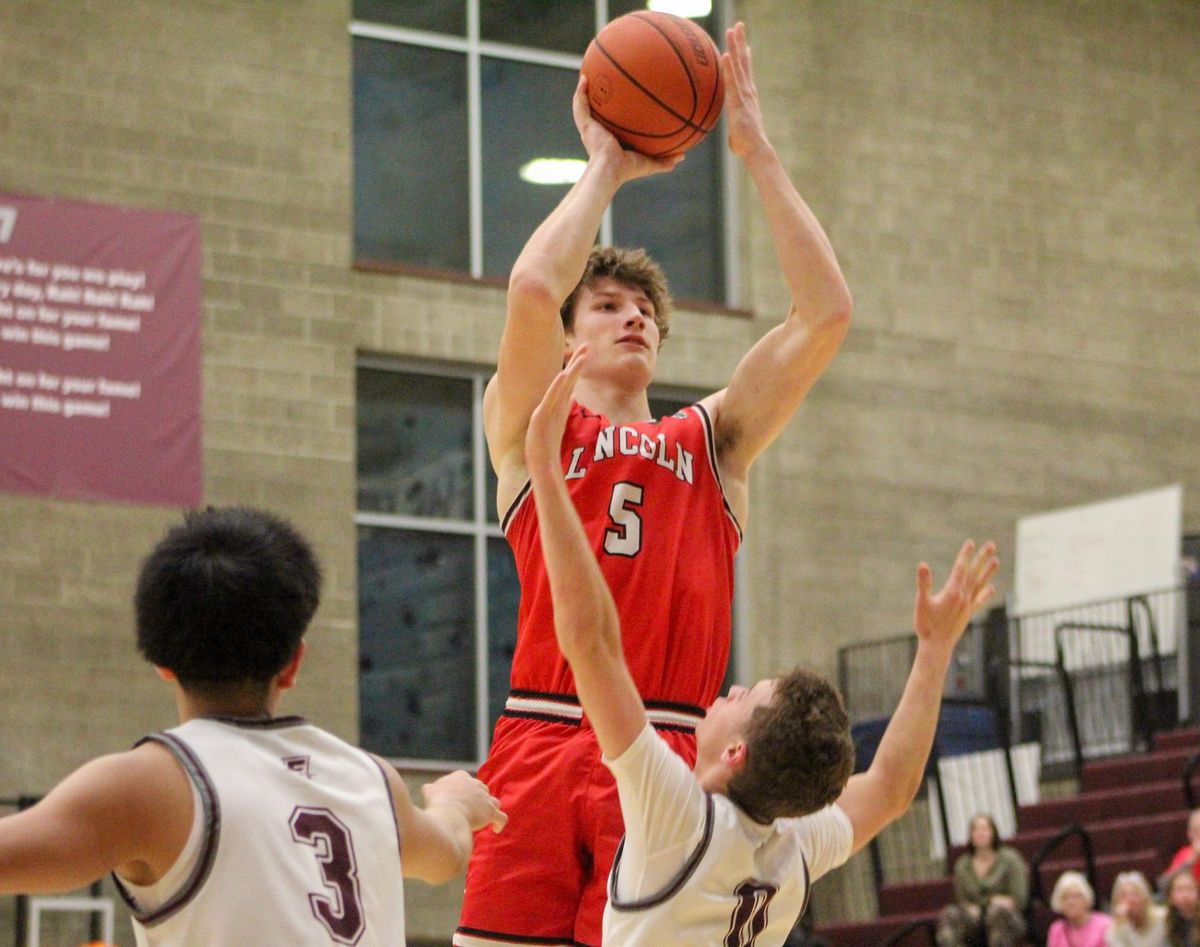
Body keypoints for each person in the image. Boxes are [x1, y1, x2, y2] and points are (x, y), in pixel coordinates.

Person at [460, 20, 853, 947]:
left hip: (671, 758)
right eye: (606, 305)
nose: (632, 315)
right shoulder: (531, 422)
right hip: (540, 734)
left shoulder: (712, 441)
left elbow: (825, 314)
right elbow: (527, 289)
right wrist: (605, 163)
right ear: (571, 335)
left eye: (645, 310)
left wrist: (757, 157)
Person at [519, 350, 998, 945]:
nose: (731, 690)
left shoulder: (679, 820)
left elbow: (590, 641)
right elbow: (893, 788)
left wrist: (543, 466)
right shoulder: (789, 847)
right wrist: (934, 648)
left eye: (747, 697)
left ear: (737, 753)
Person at [0, 506, 506, 946]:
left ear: (161, 661)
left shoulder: (152, 786)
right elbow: (446, 855)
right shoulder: (371, 779)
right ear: (293, 663)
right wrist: (455, 804)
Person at [936, 813, 1030, 947]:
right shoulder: (962, 864)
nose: (980, 833)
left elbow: (1019, 899)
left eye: (984, 829)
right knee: (950, 914)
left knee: (996, 912)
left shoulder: (1011, 859)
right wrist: (973, 907)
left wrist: (994, 903)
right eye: (975, 830)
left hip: (1008, 917)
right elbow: (962, 900)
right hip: (975, 919)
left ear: (993, 832)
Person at [1046, 871, 1111, 947]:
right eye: (1065, 897)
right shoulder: (1056, 929)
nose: (1070, 902)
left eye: (1075, 896)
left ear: (1086, 898)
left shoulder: (1105, 925)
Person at [1106, 871, 1166, 947]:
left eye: (1135, 894)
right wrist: (1124, 926)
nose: (1130, 900)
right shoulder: (1113, 932)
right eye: (1123, 896)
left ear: (1145, 897)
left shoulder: (1163, 919)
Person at [1161, 810, 1200, 890]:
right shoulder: (1184, 854)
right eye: (1196, 831)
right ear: (1189, 834)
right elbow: (1163, 884)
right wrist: (1189, 862)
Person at [1165, 869, 1200, 947]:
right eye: (1180, 890)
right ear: (1170, 897)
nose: (1185, 895)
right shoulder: (1167, 922)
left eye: (1190, 889)